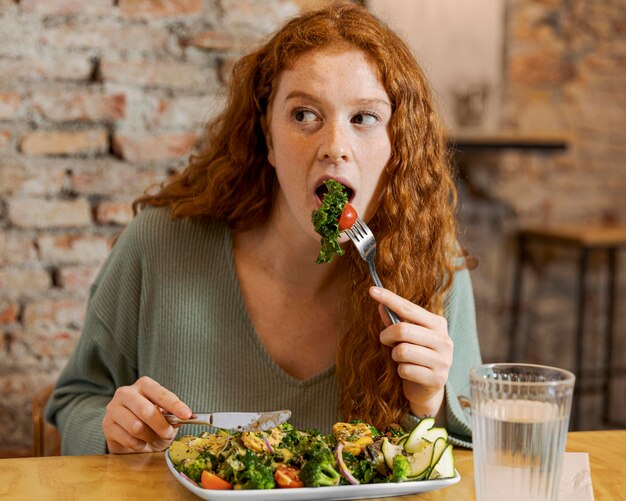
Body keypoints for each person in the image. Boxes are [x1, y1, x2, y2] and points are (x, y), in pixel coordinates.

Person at [45, 0, 481, 456]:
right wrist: (112, 433)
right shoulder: (159, 244)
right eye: (303, 115)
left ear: (398, 146)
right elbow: (75, 402)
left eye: (364, 118)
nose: (335, 146)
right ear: (267, 137)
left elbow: (470, 458)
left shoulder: (434, 266)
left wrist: (429, 407)